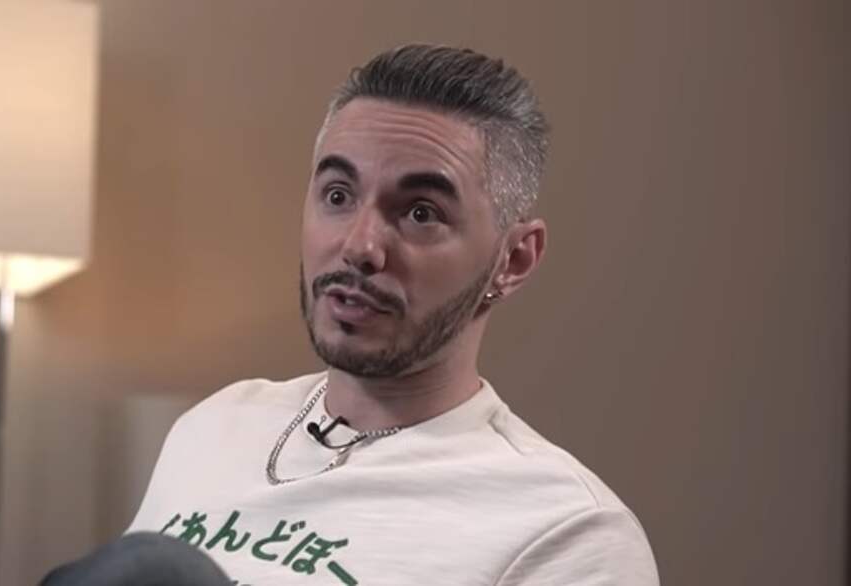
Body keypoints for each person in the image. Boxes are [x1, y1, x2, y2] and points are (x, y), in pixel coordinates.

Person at [61, 44, 660, 585]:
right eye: (338, 196)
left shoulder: (568, 532)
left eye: (420, 213)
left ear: (514, 258)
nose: (360, 246)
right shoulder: (213, 428)